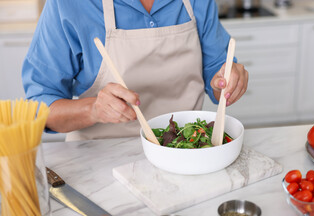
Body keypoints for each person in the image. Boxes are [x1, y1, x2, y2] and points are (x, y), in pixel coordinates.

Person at [22, 0, 248, 141]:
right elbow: (40, 108)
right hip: (99, 160)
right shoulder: (70, 4)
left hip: (184, 151)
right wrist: (94, 109)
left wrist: (227, 82)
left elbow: (217, 77)